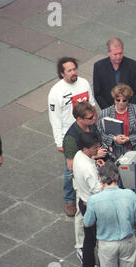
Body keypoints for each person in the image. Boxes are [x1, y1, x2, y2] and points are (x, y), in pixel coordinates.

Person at [84, 161, 136, 267]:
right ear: (117, 177)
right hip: (127, 240)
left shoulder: (94, 200)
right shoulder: (129, 194)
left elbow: (88, 222)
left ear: (100, 180)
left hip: (107, 245)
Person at [48, 57, 97, 217]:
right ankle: (69, 199)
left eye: (74, 69)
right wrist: (58, 140)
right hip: (70, 135)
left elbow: (92, 105)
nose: (73, 72)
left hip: (87, 131)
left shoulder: (83, 83)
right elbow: (54, 118)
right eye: (69, 70)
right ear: (62, 74)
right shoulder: (56, 92)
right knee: (71, 169)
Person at [72, 132, 103, 267]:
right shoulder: (88, 168)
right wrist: (105, 179)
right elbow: (97, 189)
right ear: (85, 148)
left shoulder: (79, 156)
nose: (96, 149)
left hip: (83, 202)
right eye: (94, 148)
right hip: (92, 206)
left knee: (89, 240)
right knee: (102, 241)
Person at [97, 83, 136, 159]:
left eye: (124, 100)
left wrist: (129, 139)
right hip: (116, 153)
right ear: (114, 99)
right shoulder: (105, 113)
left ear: (128, 100)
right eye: (118, 100)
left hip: (135, 150)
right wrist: (114, 138)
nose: (121, 102)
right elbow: (100, 133)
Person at [93, 38, 136, 109]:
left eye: (120, 53)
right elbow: (98, 93)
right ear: (108, 52)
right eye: (115, 54)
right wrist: (109, 111)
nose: (118, 57)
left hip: (128, 110)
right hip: (109, 110)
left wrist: (129, 110)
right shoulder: (99, 66)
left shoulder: (133, 66)